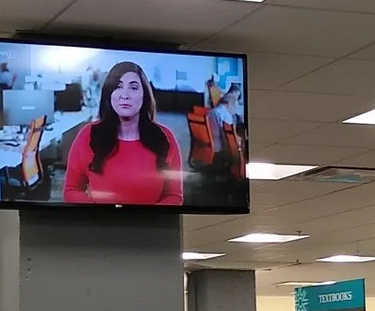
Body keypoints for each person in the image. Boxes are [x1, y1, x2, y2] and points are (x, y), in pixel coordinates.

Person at [63, 61, 183, 205]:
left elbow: (174, 196)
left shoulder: (165, 137)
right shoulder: (88, 135)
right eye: (118, 87)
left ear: (144, 94)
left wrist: (147, 215)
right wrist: (97, 211)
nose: (125, 95)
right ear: (109, 94)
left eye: (133, 88)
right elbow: (72, 190)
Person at [208, 83, 241, 154]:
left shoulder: (212, 111)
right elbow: (226, 137)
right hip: (220, 148)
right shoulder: (226, 116)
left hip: (209, 143)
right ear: (229, 104)